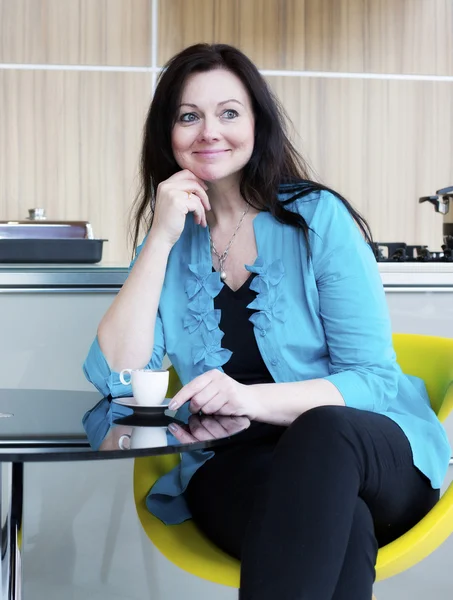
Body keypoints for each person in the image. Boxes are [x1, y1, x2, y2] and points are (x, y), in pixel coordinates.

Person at [83, 43, 451, 600]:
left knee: (323, 430)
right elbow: (118, 379)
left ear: (257, 123)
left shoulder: (316, 218)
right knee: (340, 523)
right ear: (168, 134)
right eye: (189, 116)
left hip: (368, 451)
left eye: (229, 112)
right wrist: (159, 237)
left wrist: (250, 399)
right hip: (242, 468)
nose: (210, 131)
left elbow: (373, 381)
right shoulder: (170, 241)